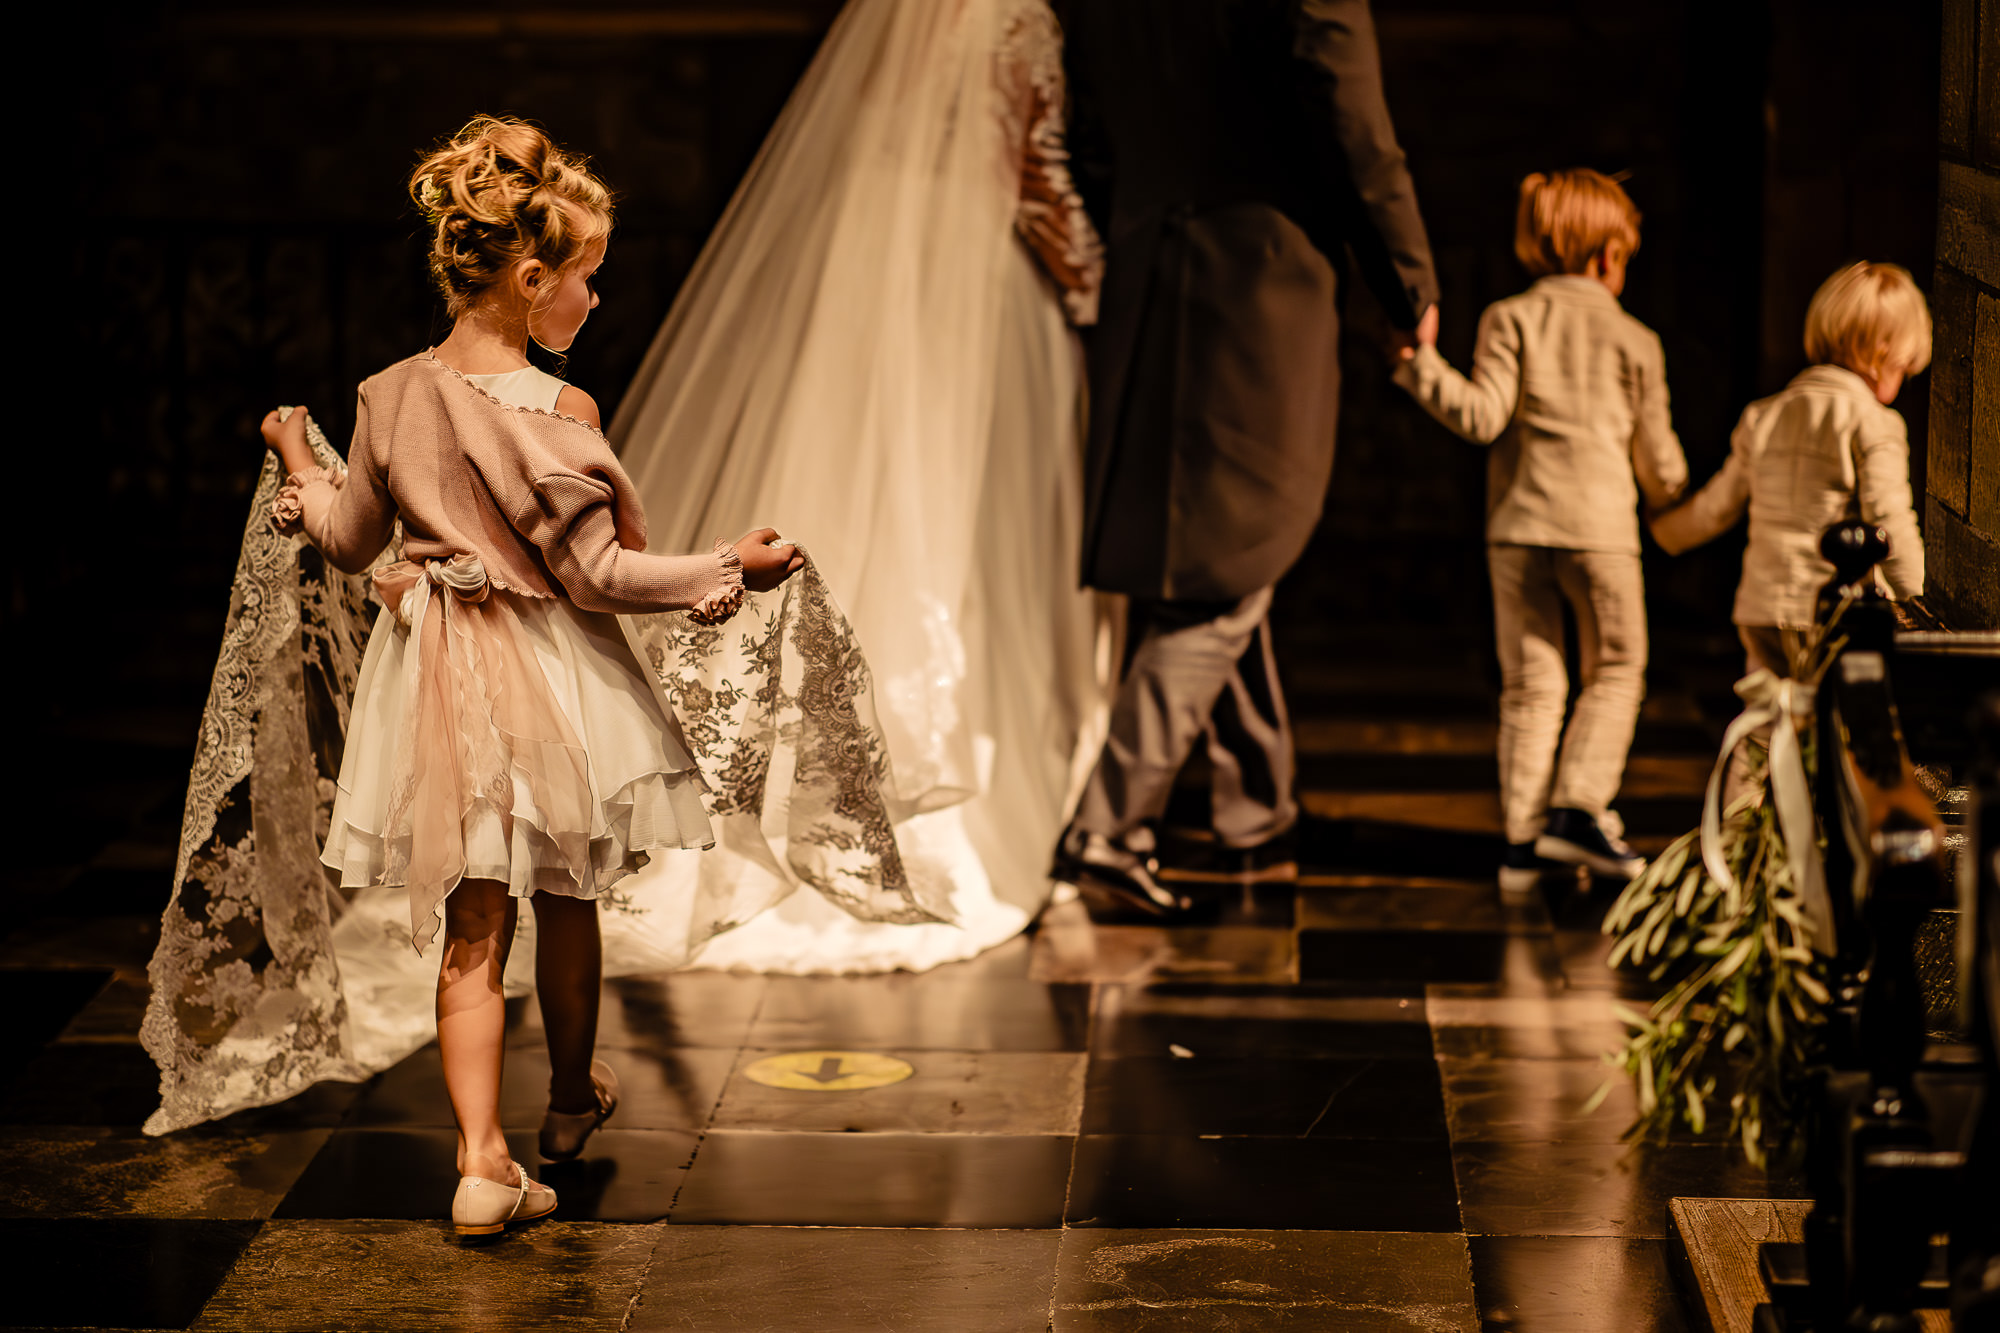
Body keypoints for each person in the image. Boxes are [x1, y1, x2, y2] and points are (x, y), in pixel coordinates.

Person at [254, 116, 803, 1236]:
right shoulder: (561, 414)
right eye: (587, 281)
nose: (593, 304)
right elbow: (595, 575)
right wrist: (725, 566)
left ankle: (479, 1158)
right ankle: (563, 1097)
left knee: (473, 914)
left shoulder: (384, 394)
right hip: (545, 675)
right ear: (533, 275)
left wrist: (301, 465)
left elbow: (352, 541)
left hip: (435, 680)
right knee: (566, 888)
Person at [607, 0, 1113, 972]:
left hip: (886, 286)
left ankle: (784, 787)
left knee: (868, 499)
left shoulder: (899, 19)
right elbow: (1033, 176)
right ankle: (920, 808)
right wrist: (1094, 285)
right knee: (972, 539)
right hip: (983, 293)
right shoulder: (1017, 19)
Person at [1054, 0, 1438, 913]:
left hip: (1153, 274)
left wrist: (1143, 226)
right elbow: (1354, 126)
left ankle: (1255, 805)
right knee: (1229, 562)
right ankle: (1107, 832)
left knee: (1217, 545)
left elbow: (1089, 136)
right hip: (1257, 276)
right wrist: (1405, 279)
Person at [1392, 168, 1688, 892]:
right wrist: (1679, 496)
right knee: (1616, 670)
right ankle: (1578, 810)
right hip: (1601, 534)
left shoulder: (1508, 317)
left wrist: (1418, 365)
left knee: (1530, 684)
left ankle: (1522, 845)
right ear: (1608, 256)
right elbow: (1660, 464)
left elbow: (1482, 417)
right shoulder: (1636, 340)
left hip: (1518, 530)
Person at [1651, 261, 1929, 676]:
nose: (1902, 380)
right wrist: (1920, 601)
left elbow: (1716, 507)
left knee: (1768, 718)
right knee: (1832, 729)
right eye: (1903, 369)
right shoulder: (1873, 422)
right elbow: (1890, 522)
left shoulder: (1764, 416)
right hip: (1831, 612)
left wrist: (1661, 532)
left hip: (1761, 607)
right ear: (1883, 353)